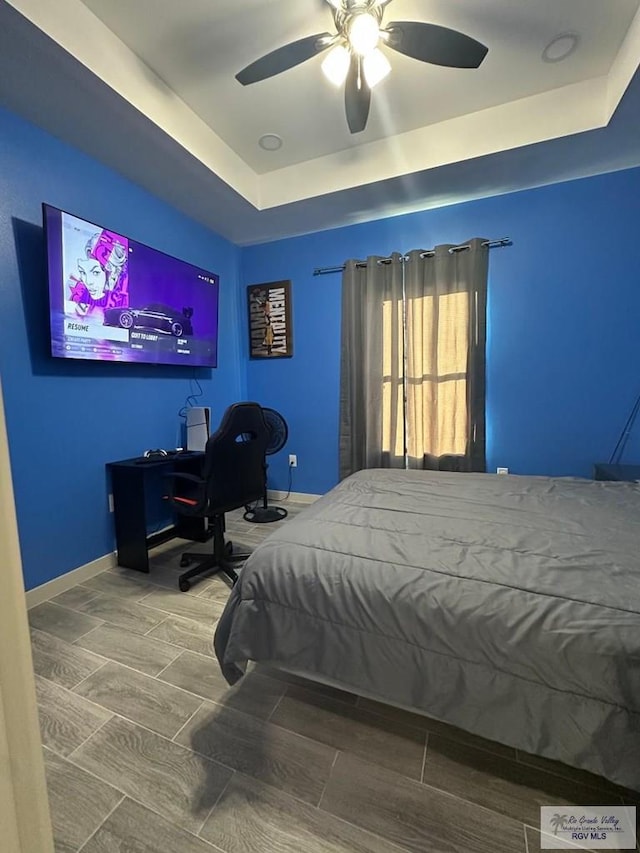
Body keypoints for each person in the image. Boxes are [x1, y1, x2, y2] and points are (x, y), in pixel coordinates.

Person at [67, 229, 128, 320]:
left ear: (114, 272)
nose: (88, 281)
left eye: (95, 272)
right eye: (85, 271)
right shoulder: (76, 290)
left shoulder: (123, 299)